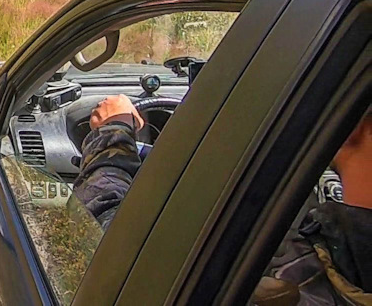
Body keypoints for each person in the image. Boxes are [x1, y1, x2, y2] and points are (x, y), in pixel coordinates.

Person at [72, 95, 372, 304]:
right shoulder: (342, 250)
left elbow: (108, 259)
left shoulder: (296, 274)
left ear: (352, 122)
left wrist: (111, 135)